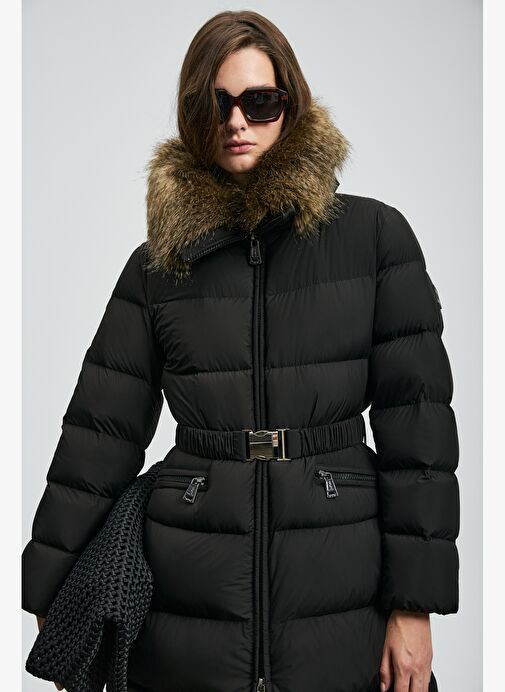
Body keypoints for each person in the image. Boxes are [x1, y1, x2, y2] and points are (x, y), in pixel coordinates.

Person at [22, 9, 460, 692]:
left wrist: (414, 605)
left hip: (341, 576)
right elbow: (98, 433)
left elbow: (419, 435)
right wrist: (51, 589)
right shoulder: (158, 266)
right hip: (187, 579)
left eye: (259, 102)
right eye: (216, 103)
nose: (236, 122)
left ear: (291, 106)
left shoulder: (375, 239)